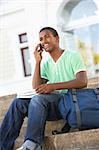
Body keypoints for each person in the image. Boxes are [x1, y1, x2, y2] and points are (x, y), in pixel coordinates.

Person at [0, 27, 87, 150]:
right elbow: (36, 87)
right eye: (41, 39)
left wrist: (52, 86)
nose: (43, 40)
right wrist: (37, 62)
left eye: (47, 36)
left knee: (38, 99)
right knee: (18, 103)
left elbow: (82, 81)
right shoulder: (46, 63)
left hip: (70, 102)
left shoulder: (72, 56)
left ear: (57, 39)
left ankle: (32, 144)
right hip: (51, 105)